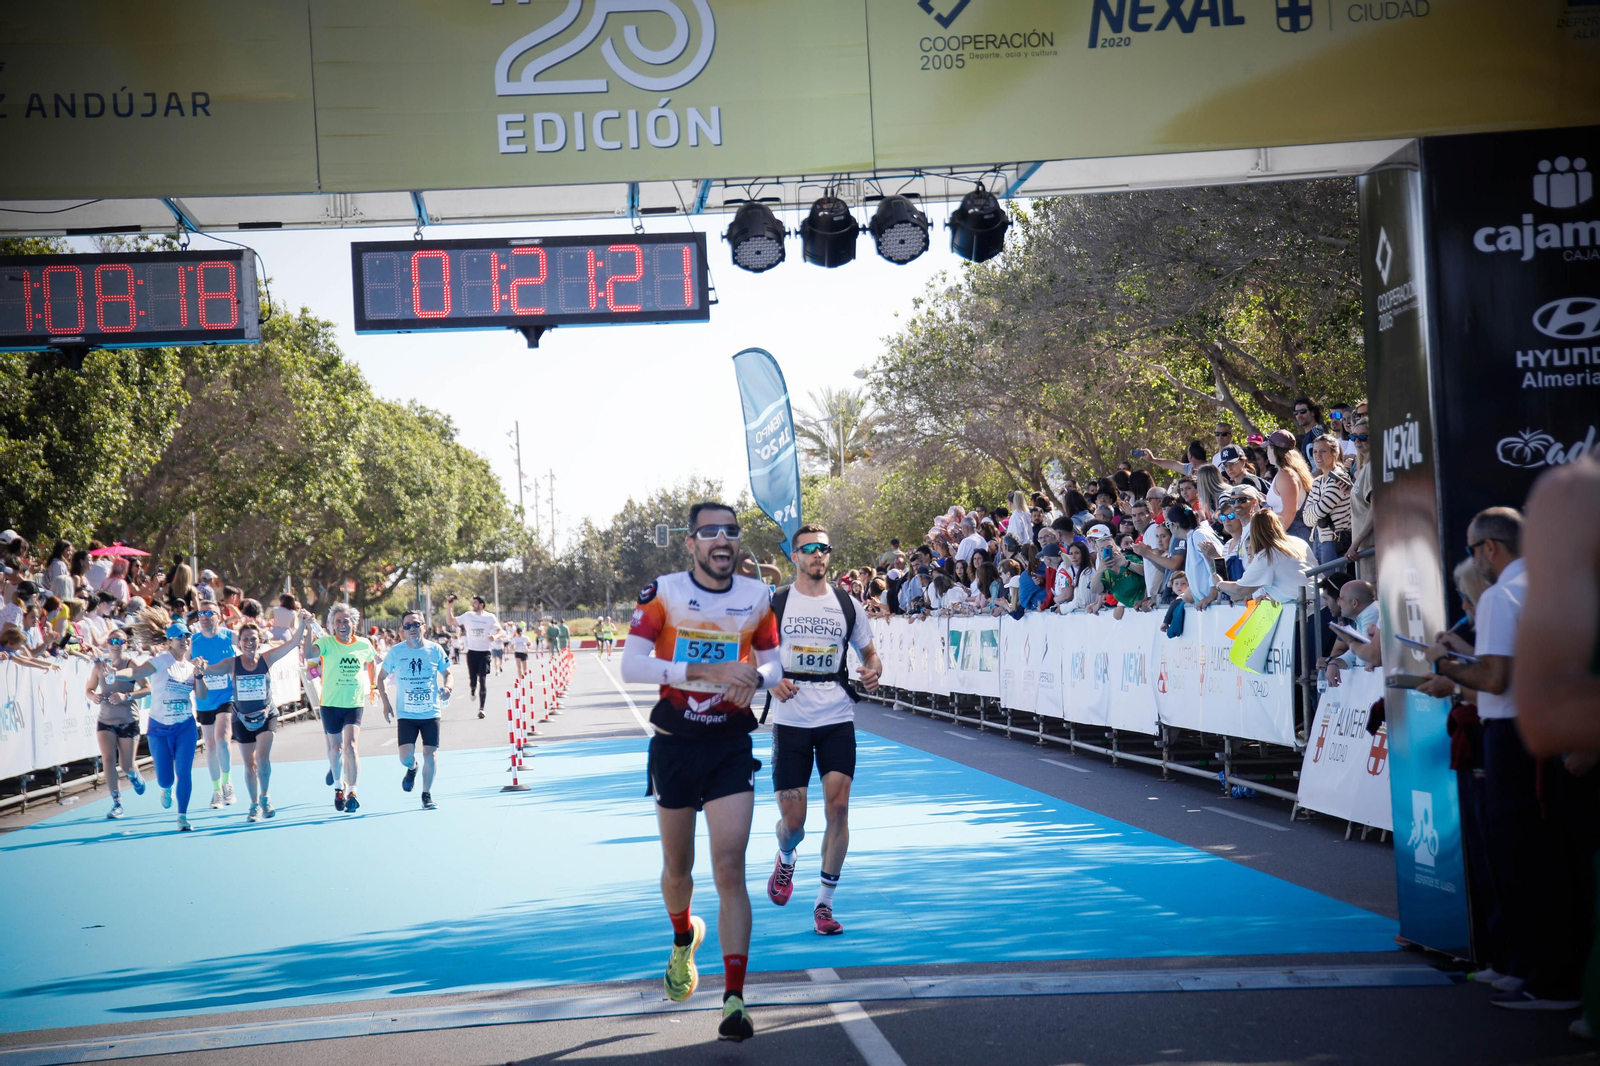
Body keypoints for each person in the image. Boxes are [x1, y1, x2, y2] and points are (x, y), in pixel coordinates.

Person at [619, 502, 782, 1042]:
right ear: (691, 543)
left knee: (730, 865)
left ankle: (734, 999)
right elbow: (633, 664)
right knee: (678, 868)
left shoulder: (757, 597)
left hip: (730, 746)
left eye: (731, 532)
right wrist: (706, 669)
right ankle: (683, 936)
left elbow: (775, 662)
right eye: (710, 532)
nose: (722, 540)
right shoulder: (662, 592)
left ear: (738, 543)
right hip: (674, 747)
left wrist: (755, 679)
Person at [1425, 506, 1588, 1011]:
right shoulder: (1550, 587)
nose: (1477, 561)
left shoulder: (1500, 596)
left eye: (1475, 552)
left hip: (1511, 735)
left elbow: (1495, 679)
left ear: (1489, 549)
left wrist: (1449, 665)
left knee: (1522, 859)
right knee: (1543, 856)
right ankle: (1537, 970)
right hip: (1545, 731)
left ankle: (1547, 977)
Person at [764, 525, 882, 937]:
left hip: (836, 715)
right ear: (794, 556)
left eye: (824, 549)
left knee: (839, 808)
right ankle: (785, 854)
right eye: (809, 549)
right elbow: (751, 655)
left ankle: (825, 904)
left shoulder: (847, 603)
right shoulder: (777, 603)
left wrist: (874, 672)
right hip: (792, 719)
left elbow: (869, 653)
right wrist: (771, 680)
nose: (818, 555)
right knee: (794, 821)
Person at [128, 609, 201, 832]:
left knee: (184, 771)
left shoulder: (190, 667)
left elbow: (202, 695)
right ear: (169, 641)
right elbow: (135, 672)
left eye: (188, 636)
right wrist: (116, 673)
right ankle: (166, 788)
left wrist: (200, 675)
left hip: (185, 727)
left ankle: (182, 816)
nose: (185, 640)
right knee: (165, 777)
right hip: (159, 727)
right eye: (180, 637)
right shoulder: (159, 661)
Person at [305, 603, 379, 813]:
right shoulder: (326, 643)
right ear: (332, 625)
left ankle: (353, 792)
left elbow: (372, 661)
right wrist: (308, 627)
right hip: (330, 703)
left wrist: (372, 686)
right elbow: (308, 654)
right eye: (338, 621)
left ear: (353, 624)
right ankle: (339, 786)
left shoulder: (364, 644)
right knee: (335, 749)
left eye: (346, 621)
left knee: (351, 747)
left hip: (354, 703)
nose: (342, 625)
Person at [378, 609, 453, 811]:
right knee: (405, 757)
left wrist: (448, 688)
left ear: (424, 627)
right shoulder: (396, 652)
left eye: (416, 624)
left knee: (430, 753)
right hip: (406, 714)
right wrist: (386, 703)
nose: (412, 628)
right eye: (408, 625)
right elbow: (380, 677)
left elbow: (448, 674)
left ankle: (426, 794)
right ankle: (412, 768)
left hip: (430, 712)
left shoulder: (435, 649)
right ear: (402, 630)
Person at [88, 629, 149, 820]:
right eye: (112, 640)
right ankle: (117, 802)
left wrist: (127, 695)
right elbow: (89, 689)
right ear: (106, 643)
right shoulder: (99, 666)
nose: (115, 644)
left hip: (127, 719)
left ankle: (133, 774)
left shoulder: (132, 665)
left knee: (126, 765)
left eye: (120, 641)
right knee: (107, 760)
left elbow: (147, 688)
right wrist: (94, 696)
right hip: (105, 719)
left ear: (126, 645)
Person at [190, 603, 238, 810]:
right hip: (204, 699)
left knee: (222, 740)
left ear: (219, 617)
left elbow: (253, 642)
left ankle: (228, 783)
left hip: (226, 696)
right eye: (201, 613)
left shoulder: (230, 636)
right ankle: (216, 790)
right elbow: (182, 661)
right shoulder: (193, 641)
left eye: (210, 613)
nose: (205, 617)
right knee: (210, 745)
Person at [1215, 511, 1311, 605]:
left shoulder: (1266, 555)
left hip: (1303, 608)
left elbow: (1240, 589)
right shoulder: (1298, 542)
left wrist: (1219, 583)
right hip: (1318, 602)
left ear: (1254, 531)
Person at [1302, 433, 1353, 568]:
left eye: (1323, 451)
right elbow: (1306, 518)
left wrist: (1314, 509)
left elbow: (1321, 509)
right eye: (1315, 451)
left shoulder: (1339, 477)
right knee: (1322, 584)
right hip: (1318, 539)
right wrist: (1315, 509)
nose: (1318, 456)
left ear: (1335, 453)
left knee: (1332, 584)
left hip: (1335, 540)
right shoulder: (1317, 482)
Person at [447, 594, 501, 715]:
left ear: (482, 605)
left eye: (475, 603)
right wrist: (449, 607)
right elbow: (450, 621)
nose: (473, 605)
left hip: (485, 652)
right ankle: (472, 689)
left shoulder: (490, 617)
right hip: (472, 652)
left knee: (482, 678)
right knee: (473, 679)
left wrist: (495, 636)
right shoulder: (468, 616)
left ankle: (481, 708)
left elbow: (500, 630)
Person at [1264, 429, 1314, 540]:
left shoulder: (1286, 475)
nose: (1267, 452)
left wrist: (1273, 537)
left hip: (1292, 532)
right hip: (1290, 531)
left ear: (1274, 449)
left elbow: (1290, 511)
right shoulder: (1286, 472)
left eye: (1268, 448)